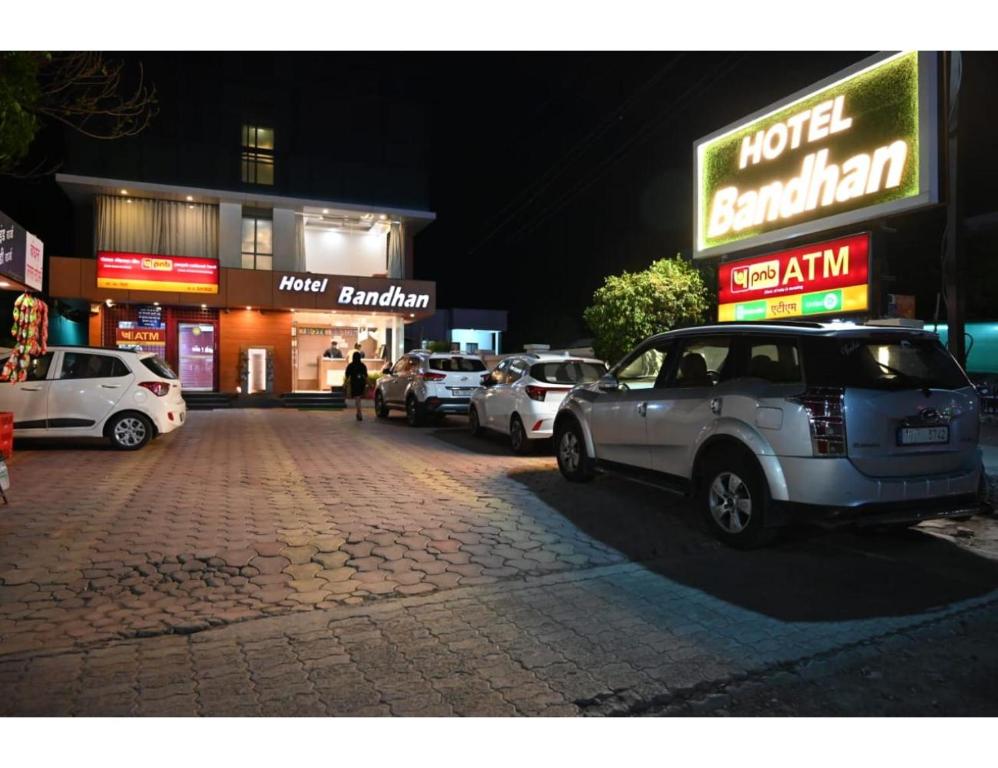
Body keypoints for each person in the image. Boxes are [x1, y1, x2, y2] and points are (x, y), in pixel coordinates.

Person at [344, 351, 368, 421]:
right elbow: (365, 376)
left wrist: (345, 384)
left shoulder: (350, 365)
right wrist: (369, 383)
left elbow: (347, 376)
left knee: (357, 398)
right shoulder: (362, 365)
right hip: (361, 383)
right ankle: (359, 412)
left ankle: (359, 412)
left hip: (354, 383)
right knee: (359, 398)